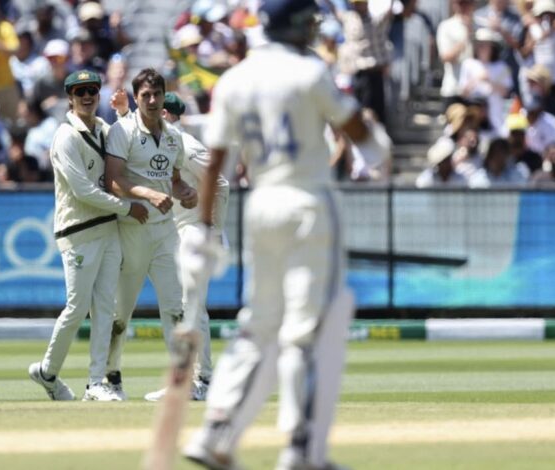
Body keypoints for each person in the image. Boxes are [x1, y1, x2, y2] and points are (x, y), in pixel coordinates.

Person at [181, 0, 375, 468]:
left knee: (257, 324)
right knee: (305, 332)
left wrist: (204, 232)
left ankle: (215, 431)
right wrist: (374, 148)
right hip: (309, 202)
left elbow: (215, 165)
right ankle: (301, 449)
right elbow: (356, 128)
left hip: (261, 204)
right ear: (294, 25)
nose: (312, 31)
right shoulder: (309, 71)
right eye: (308, 23)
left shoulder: (234, 79)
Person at [27, 70, 148, 401]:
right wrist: (126, 207)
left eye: (92, 90)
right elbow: (81, 190)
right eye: (80, 91)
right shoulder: (66, 136)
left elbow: (127, 138)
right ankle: (48, 371)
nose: (87, 96)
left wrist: (124, 111)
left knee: (105, 308)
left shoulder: (103, 129)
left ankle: (96, 382)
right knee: (77, 307)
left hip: (108, 229)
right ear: (70, 97)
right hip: (79, 231)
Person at [102, 68, 198, 401]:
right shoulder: (122, 130)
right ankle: (109, 377)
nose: (154, 100)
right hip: (132, 229)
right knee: (121, 310)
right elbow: (113, 181)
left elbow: (172, 179)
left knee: (176, 306)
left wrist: (185, 191)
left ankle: (180, 382)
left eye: (158, 94)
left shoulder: (173, 136)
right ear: (136, 97)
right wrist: (147, 195)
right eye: (146, 95)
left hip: (165, 231)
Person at [140, 92, 230, 403]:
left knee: (191, 307)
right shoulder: (166, 142)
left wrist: (210, 229)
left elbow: (220, 184)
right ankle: (190, 379)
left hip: (195, 233)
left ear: (164, 113)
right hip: (182, 232)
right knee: (183, 307)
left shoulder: (185, 143)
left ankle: (202, 380)